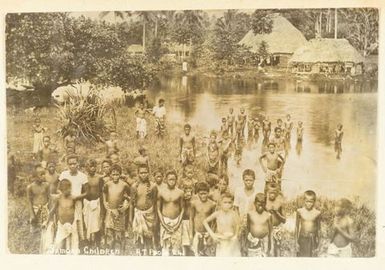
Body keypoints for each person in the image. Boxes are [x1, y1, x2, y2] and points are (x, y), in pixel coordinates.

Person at [48, 179, 87, 255]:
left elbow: (81, 202)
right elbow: (53, 210)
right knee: (58, 245)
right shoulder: (58, 198)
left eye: (70, 188)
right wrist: (48, 221)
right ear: (62, 189)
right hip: (61, 225)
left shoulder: (73, 198)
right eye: (66, 189)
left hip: (72, 225)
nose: (68, 190)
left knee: (73, 246)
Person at [58, 155, 88, 242]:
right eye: (70, 164)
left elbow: (86, 192)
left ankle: (78, 240)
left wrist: (76, 197)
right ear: (67, 165)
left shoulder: (83, 176)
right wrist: (64, 196)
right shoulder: (64, 174)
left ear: (77, 164)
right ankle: (64, 238)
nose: (72, 166)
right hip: (66, 202)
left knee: (77, 220)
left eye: (74, 164)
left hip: (77, 201)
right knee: (65, 220)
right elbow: (58, 188)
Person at [130, 165, 158, 255]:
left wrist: (155, 219)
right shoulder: (134, 186)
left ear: (148, 173)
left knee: (149, 238)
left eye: (145, 172)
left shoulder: (153, 186)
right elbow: (131, 203)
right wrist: (131, 218)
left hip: (149, 215)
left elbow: (155, 204)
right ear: (138, 174)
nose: (143, 175)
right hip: (138, 215)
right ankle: (140, 257)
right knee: (139, 239)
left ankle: (149, 257)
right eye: (141, 173)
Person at [203, 192, 241, 257]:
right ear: (220, 203)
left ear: (232, 203)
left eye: (229, 202)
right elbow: (204, 221)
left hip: (231, 241)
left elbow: (238, 225)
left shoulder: (234, 214)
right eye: (225, 202)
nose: (227, 205)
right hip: (221, 241)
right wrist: (212, 235)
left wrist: (236, 236)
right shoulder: (217, 214)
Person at [103, 164, 130, 252]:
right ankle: (111, 251)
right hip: (110, 212)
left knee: (120, 234)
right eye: (113, 174)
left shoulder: (124, 185)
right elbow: (104, 193)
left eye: (117, 174)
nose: (115, 176)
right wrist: (104, 202)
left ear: (120, 174)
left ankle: (122, 252)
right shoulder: (107, 184)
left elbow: (130, 197)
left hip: (120, 213)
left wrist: (125, 205)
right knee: (110, 234)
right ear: (110, 174)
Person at [157, 170, 185, 256]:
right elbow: (158, 209)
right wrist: (164, 224)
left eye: (173, 179)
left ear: (176, 180)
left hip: (177, 221)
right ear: (166, 180)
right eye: (170, 179)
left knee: (176, 249)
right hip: (165, 221)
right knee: (165, 248)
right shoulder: (161, 192)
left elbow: (182, 209)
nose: (172, 181)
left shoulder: (180, 193)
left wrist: (177, 224)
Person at [190, 181, 216, 256]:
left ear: (208, 192)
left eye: (205, 193)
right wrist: (191, 235)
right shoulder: (193, 203)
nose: (203, 196)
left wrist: (211, 235)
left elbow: (214, 222)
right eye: (201, 194)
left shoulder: (212, 204)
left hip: (207, 233)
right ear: (197, 193)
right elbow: (191, 219)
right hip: (197, 233)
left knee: (207, 255)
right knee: (196, 255)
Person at [83, 159, 103, 247]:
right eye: (90, 166)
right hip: (87, 203)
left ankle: (98, 243)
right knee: (87, 223)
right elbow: (82, 191)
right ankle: (88, 243)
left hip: (97, 203)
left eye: (94, 166)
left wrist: (102, 207)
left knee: (97, 224)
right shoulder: (84, 178)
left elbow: (102, 193)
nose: (92, 168)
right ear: (87, 168)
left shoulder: (99, 178)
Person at [295, 190, 321, 257]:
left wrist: (319, 244)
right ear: (304, 201)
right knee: (301, 260)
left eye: (311, 202)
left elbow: (319, 230)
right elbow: (296, 227)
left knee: (312, 261)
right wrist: (296, 242)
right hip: (302, 239)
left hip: (312, 240)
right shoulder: (299, 211)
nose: (309, 204)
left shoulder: (317, 213)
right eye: (307, 201)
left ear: (314, 202)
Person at [27, 165, 50, 234]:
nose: (44, 176)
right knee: (34, 230)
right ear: (35, 176)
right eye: (41, 175)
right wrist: (32, 214)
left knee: (45, 229)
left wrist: (49, 209)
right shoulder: (30, 187)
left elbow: (49, 198)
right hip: (35, 209)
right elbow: (29, 201)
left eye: (44, 174)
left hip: (45, 209)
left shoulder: (46, 185)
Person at [265, 184, 286, 256]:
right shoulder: (264, 202)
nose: (272, 194)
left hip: (277, 229)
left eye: (274, 192)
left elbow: (284, 220)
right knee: (267, 248)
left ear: (277, 193)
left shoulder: (279, 203)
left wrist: (276, 212)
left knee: (277, 248)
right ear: (267, 192)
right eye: (270, 192)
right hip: (267, 228)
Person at [181, 182, 194, 256]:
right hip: (184, 221)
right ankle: (184, 253)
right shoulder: (183, 199)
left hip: (191, 222)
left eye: (190, 191)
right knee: (184, 241)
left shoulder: (194, 199)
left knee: (191, 241)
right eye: (186, 191)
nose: (188, 193)